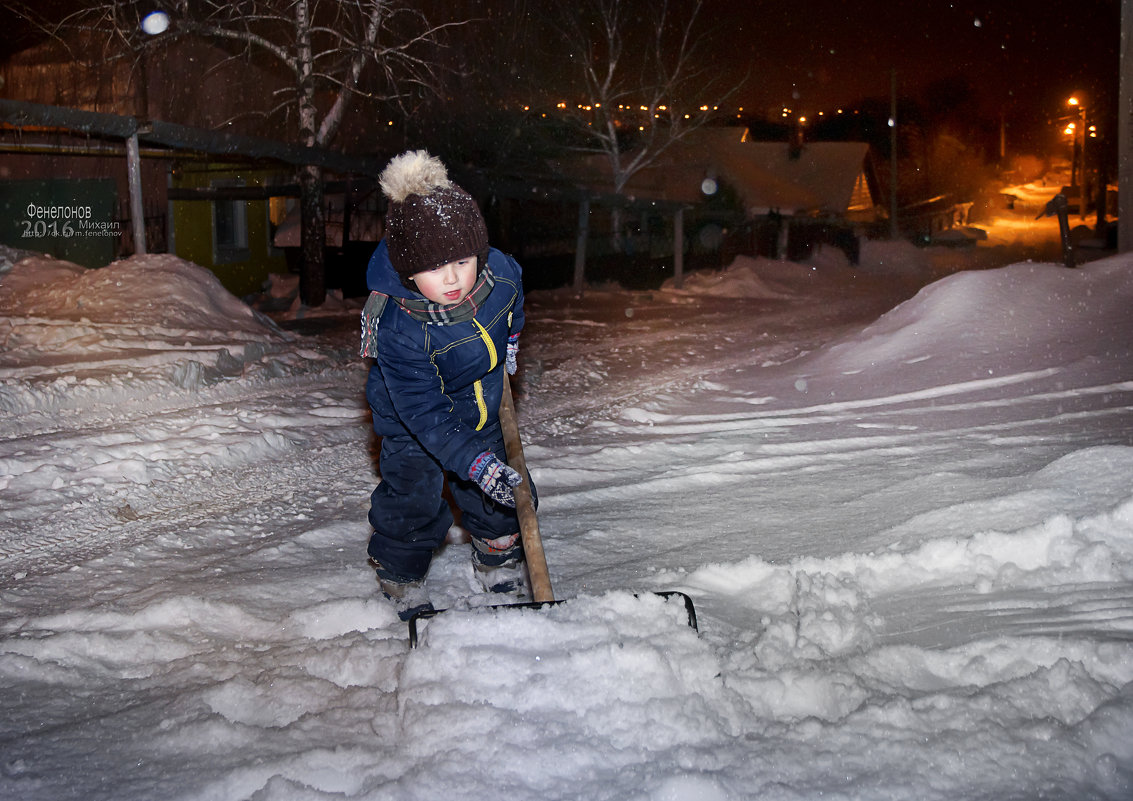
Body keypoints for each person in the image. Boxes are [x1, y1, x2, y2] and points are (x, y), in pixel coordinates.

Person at [360, 150, 532, 621]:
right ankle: (400, 572)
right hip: (416, 421)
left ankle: (497, 554)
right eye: (435, 267)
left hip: (482, 401)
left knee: (496, 489)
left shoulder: (500, 276)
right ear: (408, 271)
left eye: (461, 260)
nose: (453, 277)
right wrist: (468, 460)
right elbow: (425, 412)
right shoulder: (402, 327)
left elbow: (513, 305)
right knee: (414, 495)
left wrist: (511, 340)